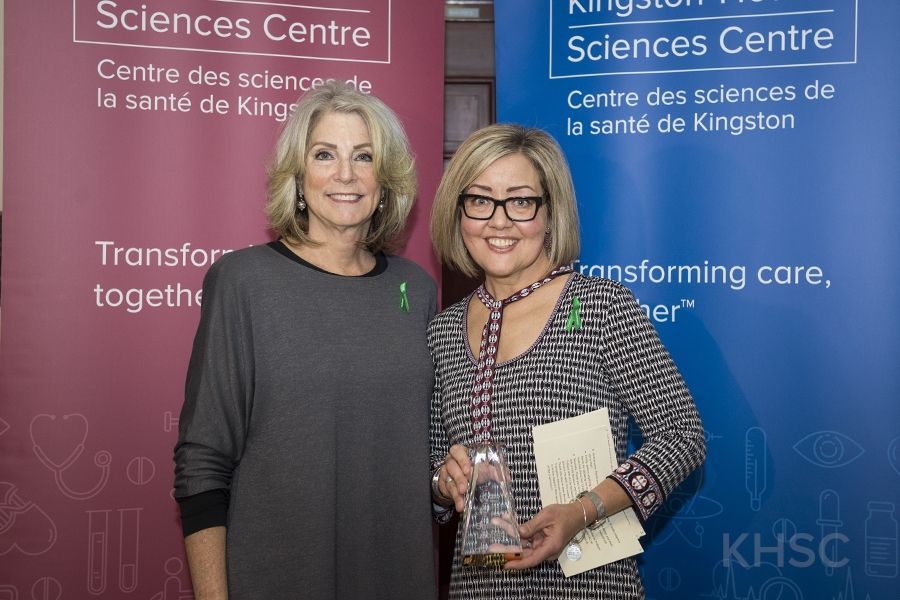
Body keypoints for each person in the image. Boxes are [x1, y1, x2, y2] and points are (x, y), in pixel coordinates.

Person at [173, 82, 437, 600]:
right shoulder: (243, 282)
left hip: (396, 576)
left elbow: (418, 450)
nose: (345, 174)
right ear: (298, 176)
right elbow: (203, 460)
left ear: (385, 180)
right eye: (324, 155)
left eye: (364, 156)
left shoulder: (417, 288)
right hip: (278, 576)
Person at [428, 124, 706, 599]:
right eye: (479, 200)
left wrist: (583, 511)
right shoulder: (442, 330)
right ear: (459, 213)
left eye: (520, 201)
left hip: (590, 584)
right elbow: (434, 468)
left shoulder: (601, 307)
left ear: (550, 214)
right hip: (478, 586)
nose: (499, 221)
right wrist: (442, 481)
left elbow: (683, 438)